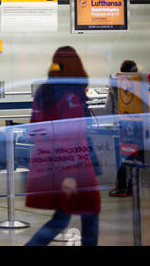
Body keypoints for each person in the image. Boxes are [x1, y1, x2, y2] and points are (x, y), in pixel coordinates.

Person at [24, 46, 101, 246]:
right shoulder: (70, 96)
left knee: (64, 218)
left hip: (53, 161)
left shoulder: (44, 91)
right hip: (75, 165)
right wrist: (69, 174)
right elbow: (70, 136)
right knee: (85, 216)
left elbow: (35, 129)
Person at [107, 60, 138, 197]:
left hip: (118, 127)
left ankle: (121, 188)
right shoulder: (140, 85)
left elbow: (107, 109)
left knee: (121, 158)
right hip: (135, 126)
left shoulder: (114, 86)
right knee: (134, 156)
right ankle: (132, 186)